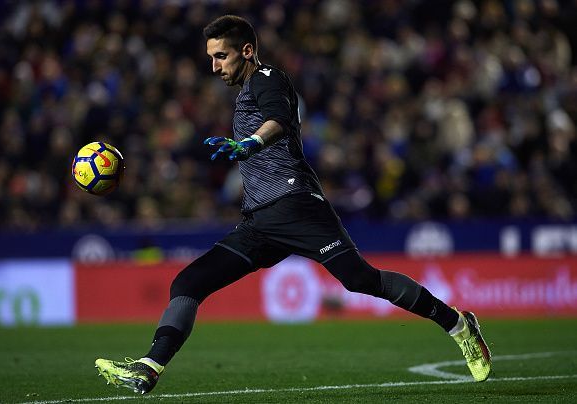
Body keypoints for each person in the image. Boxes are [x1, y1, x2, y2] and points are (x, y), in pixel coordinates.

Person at [95, 15, 491, 394]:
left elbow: (278, 120)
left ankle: (458, 324)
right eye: (211, 57)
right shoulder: (245, 93)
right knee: (188, 283)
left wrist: (249, 144)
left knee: (360, 280)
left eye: (221, 56)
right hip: (260, 222)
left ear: (247, 51)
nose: (214, 67)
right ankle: (149, 368)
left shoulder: (269, 78)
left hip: (297, 206)